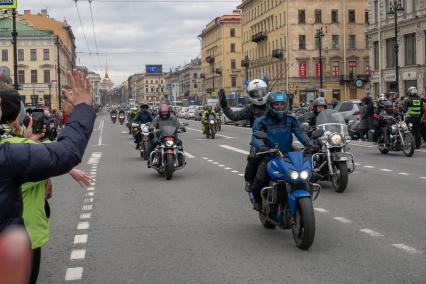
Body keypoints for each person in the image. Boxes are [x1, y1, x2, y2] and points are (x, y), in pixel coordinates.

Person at [0, 69, 95, 234]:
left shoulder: (16, 146)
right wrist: (82, 108)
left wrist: (27, 141)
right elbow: (64, 153)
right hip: (20, 239)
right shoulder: (11, 151)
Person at [248, 92, 311, 210]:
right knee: (260, 179)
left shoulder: (290, 119)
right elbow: (256, 136)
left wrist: (310, 143)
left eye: (282, 104)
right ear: (270, 105)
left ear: (286, 104)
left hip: (287, 156)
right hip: (268, 156)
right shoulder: (262, 121)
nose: (279, 107)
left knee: (303, 176)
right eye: (276, 104)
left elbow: (300, 133)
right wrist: (262, 147)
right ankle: (256, 199)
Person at [218, 79, 269, 186]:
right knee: (253, 158)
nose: (259, 95)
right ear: (250, 94)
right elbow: (233, 116)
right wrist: (224, 104)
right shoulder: (250, 109)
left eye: (261, 92)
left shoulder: (273, 105)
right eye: (255, 93)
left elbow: (287, 117)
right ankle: (249, 181)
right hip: (258, 140)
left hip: (277, 137)